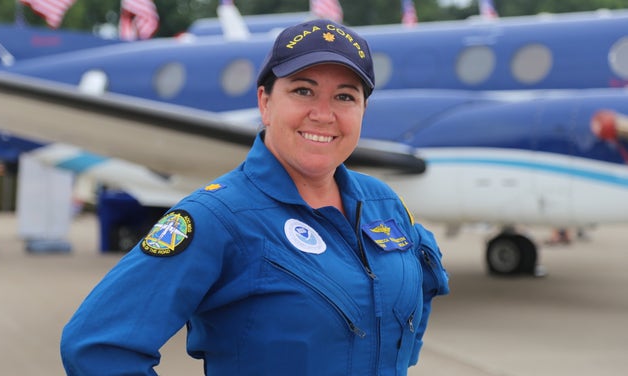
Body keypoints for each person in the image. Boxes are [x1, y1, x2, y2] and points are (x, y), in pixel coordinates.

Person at [60, 19, 449, 375]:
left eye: (345, 97)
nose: (323, 113)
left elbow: (419, 293)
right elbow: (97, 345)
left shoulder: (383, 203)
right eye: (303, 90)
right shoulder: (219, 216)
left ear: (363, 109)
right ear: (265, 103)